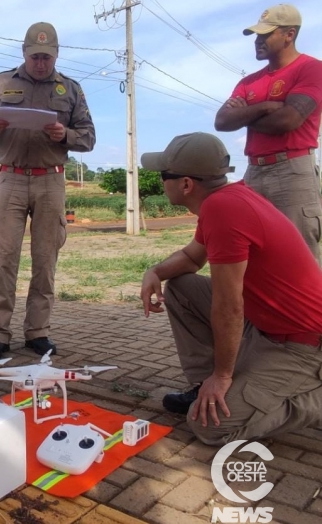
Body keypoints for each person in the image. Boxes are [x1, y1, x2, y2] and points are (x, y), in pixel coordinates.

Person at [140, 132, 322, 446]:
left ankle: (311, 395)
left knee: (209, 427)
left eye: (163, 175)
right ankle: (205, 385)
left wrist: (224, 375)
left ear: (186, 184)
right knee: (181, 286)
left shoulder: (224, 210)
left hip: (302, 344)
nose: (160, 181)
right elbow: (190, 258)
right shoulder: (225, 200)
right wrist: (154, 271)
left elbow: (229, 307)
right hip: (265, 326)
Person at [0, 22, 96, 361]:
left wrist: (65, 135)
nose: (41, 63)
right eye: (36, 56)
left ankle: (38, 332)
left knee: (45, 260)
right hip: (11, 179)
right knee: (4, 257)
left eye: (47, 57)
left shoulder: (70, 89)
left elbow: (89, 136)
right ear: (24, 53)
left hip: (50, 181)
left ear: (56, 55)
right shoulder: (2, 82)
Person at [214, 3, 322, 263]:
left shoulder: (311, 69)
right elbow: (222, 121)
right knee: (256, 253)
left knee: (299, 255)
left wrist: (245, 114)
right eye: (257, 35)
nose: (258, 41)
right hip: (254, 172)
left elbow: (288, 120)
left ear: (289, 34)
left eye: (266, 34)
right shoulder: (249, 81)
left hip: (293, 171)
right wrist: (262, 107)